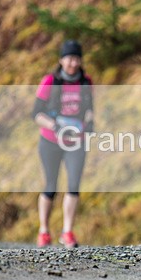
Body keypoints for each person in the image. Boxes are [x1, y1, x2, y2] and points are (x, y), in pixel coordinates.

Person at [32, 39, 94, 248]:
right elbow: (36, 113)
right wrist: (54, 126)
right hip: (50, 140)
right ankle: (44, 230)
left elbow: (89, 109)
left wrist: (89, 123)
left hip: (76, 140)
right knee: (51, 185)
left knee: (74, 185)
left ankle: (67, 231)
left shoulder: (86, 82)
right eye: (69, 58)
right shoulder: (51, 81)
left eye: (77, 58)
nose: (73, 63)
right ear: (61, 60)